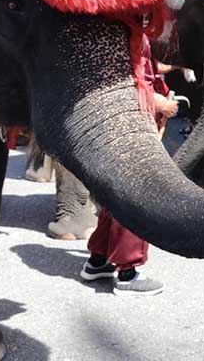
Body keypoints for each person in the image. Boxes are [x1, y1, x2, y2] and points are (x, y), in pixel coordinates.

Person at [80, 29, 169, 297]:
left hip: (123, 118)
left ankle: (99, 260)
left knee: (114, 193)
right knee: (136, 192)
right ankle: (128, 273)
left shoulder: (121, 25)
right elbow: (121, 81)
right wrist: (158, 102)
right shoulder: (121, 28)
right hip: (128, 118)